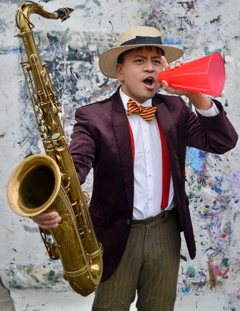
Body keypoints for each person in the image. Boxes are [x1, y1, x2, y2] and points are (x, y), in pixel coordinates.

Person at [31, 26, 238, 311]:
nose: (149, 67)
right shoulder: (94, 117)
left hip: (165, 231)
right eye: (139, 60)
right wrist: (49, 203)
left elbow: (223, 141)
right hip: (115, 234)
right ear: (120, 71)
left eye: (156, 60)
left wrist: (193, 93)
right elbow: (75, 167)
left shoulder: (176, 109)